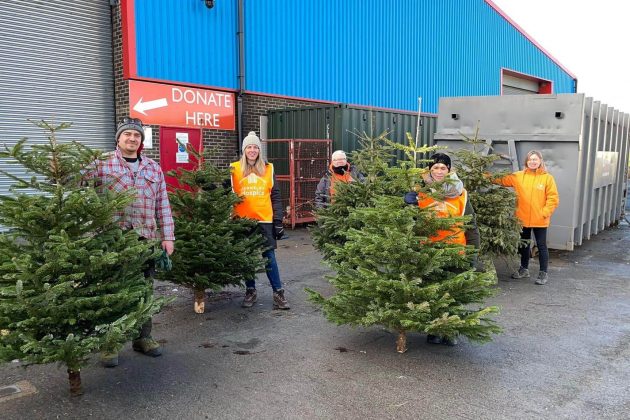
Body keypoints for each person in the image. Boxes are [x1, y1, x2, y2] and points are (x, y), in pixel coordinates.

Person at [89, 117, 175, 367]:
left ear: (141, 141)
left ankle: (143, 338)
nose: (132, 139)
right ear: (118, 138)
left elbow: (163, 204)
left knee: (144, 290)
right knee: (112, 291)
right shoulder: (102, 164)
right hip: (112, 241)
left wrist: (167, 236)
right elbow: (76, 183)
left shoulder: (152, 168)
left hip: (145, 240)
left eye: (136, 136)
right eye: (127, 134)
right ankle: (110, 343)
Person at [404, 152, 480, 346]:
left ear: (449, 170)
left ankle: (450, 331)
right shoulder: (420, 190)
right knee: (432, 292)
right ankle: (434, 330)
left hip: (456, 251)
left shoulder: (461, 194)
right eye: (435, 168)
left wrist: (472, 255)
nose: (439, 171)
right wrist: (407, 204)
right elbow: (407, 222)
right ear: (430, 170)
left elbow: (471, 227)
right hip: (428, 251)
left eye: (443, 168)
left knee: (452, 293)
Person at [230, 131, 290, 310]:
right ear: (244, 150)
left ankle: (278, 293)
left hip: (265, 220)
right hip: (242, 220)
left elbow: (276, 196)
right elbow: (226, 191)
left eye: (256, 147)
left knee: (269, 257)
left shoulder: (268, 168)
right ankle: (250, 291)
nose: (252, 150)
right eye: (249, 147)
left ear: (259, 150)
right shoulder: (234, 168)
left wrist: (278, 221)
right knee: (247, 258)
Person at [493, 150, 559, 285]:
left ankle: (543, 273)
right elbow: (501, 180)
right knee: (524, 244)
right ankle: (524, 269)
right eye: (530, 160)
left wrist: (544, 213)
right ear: (526, 162)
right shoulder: (518, 176)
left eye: (535, 159)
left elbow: (553, 198)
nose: (533, 162)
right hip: (522, 218)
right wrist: (483, 176)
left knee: (541, 246)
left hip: (540, 219)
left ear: (540, 161)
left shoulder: (547, 178)